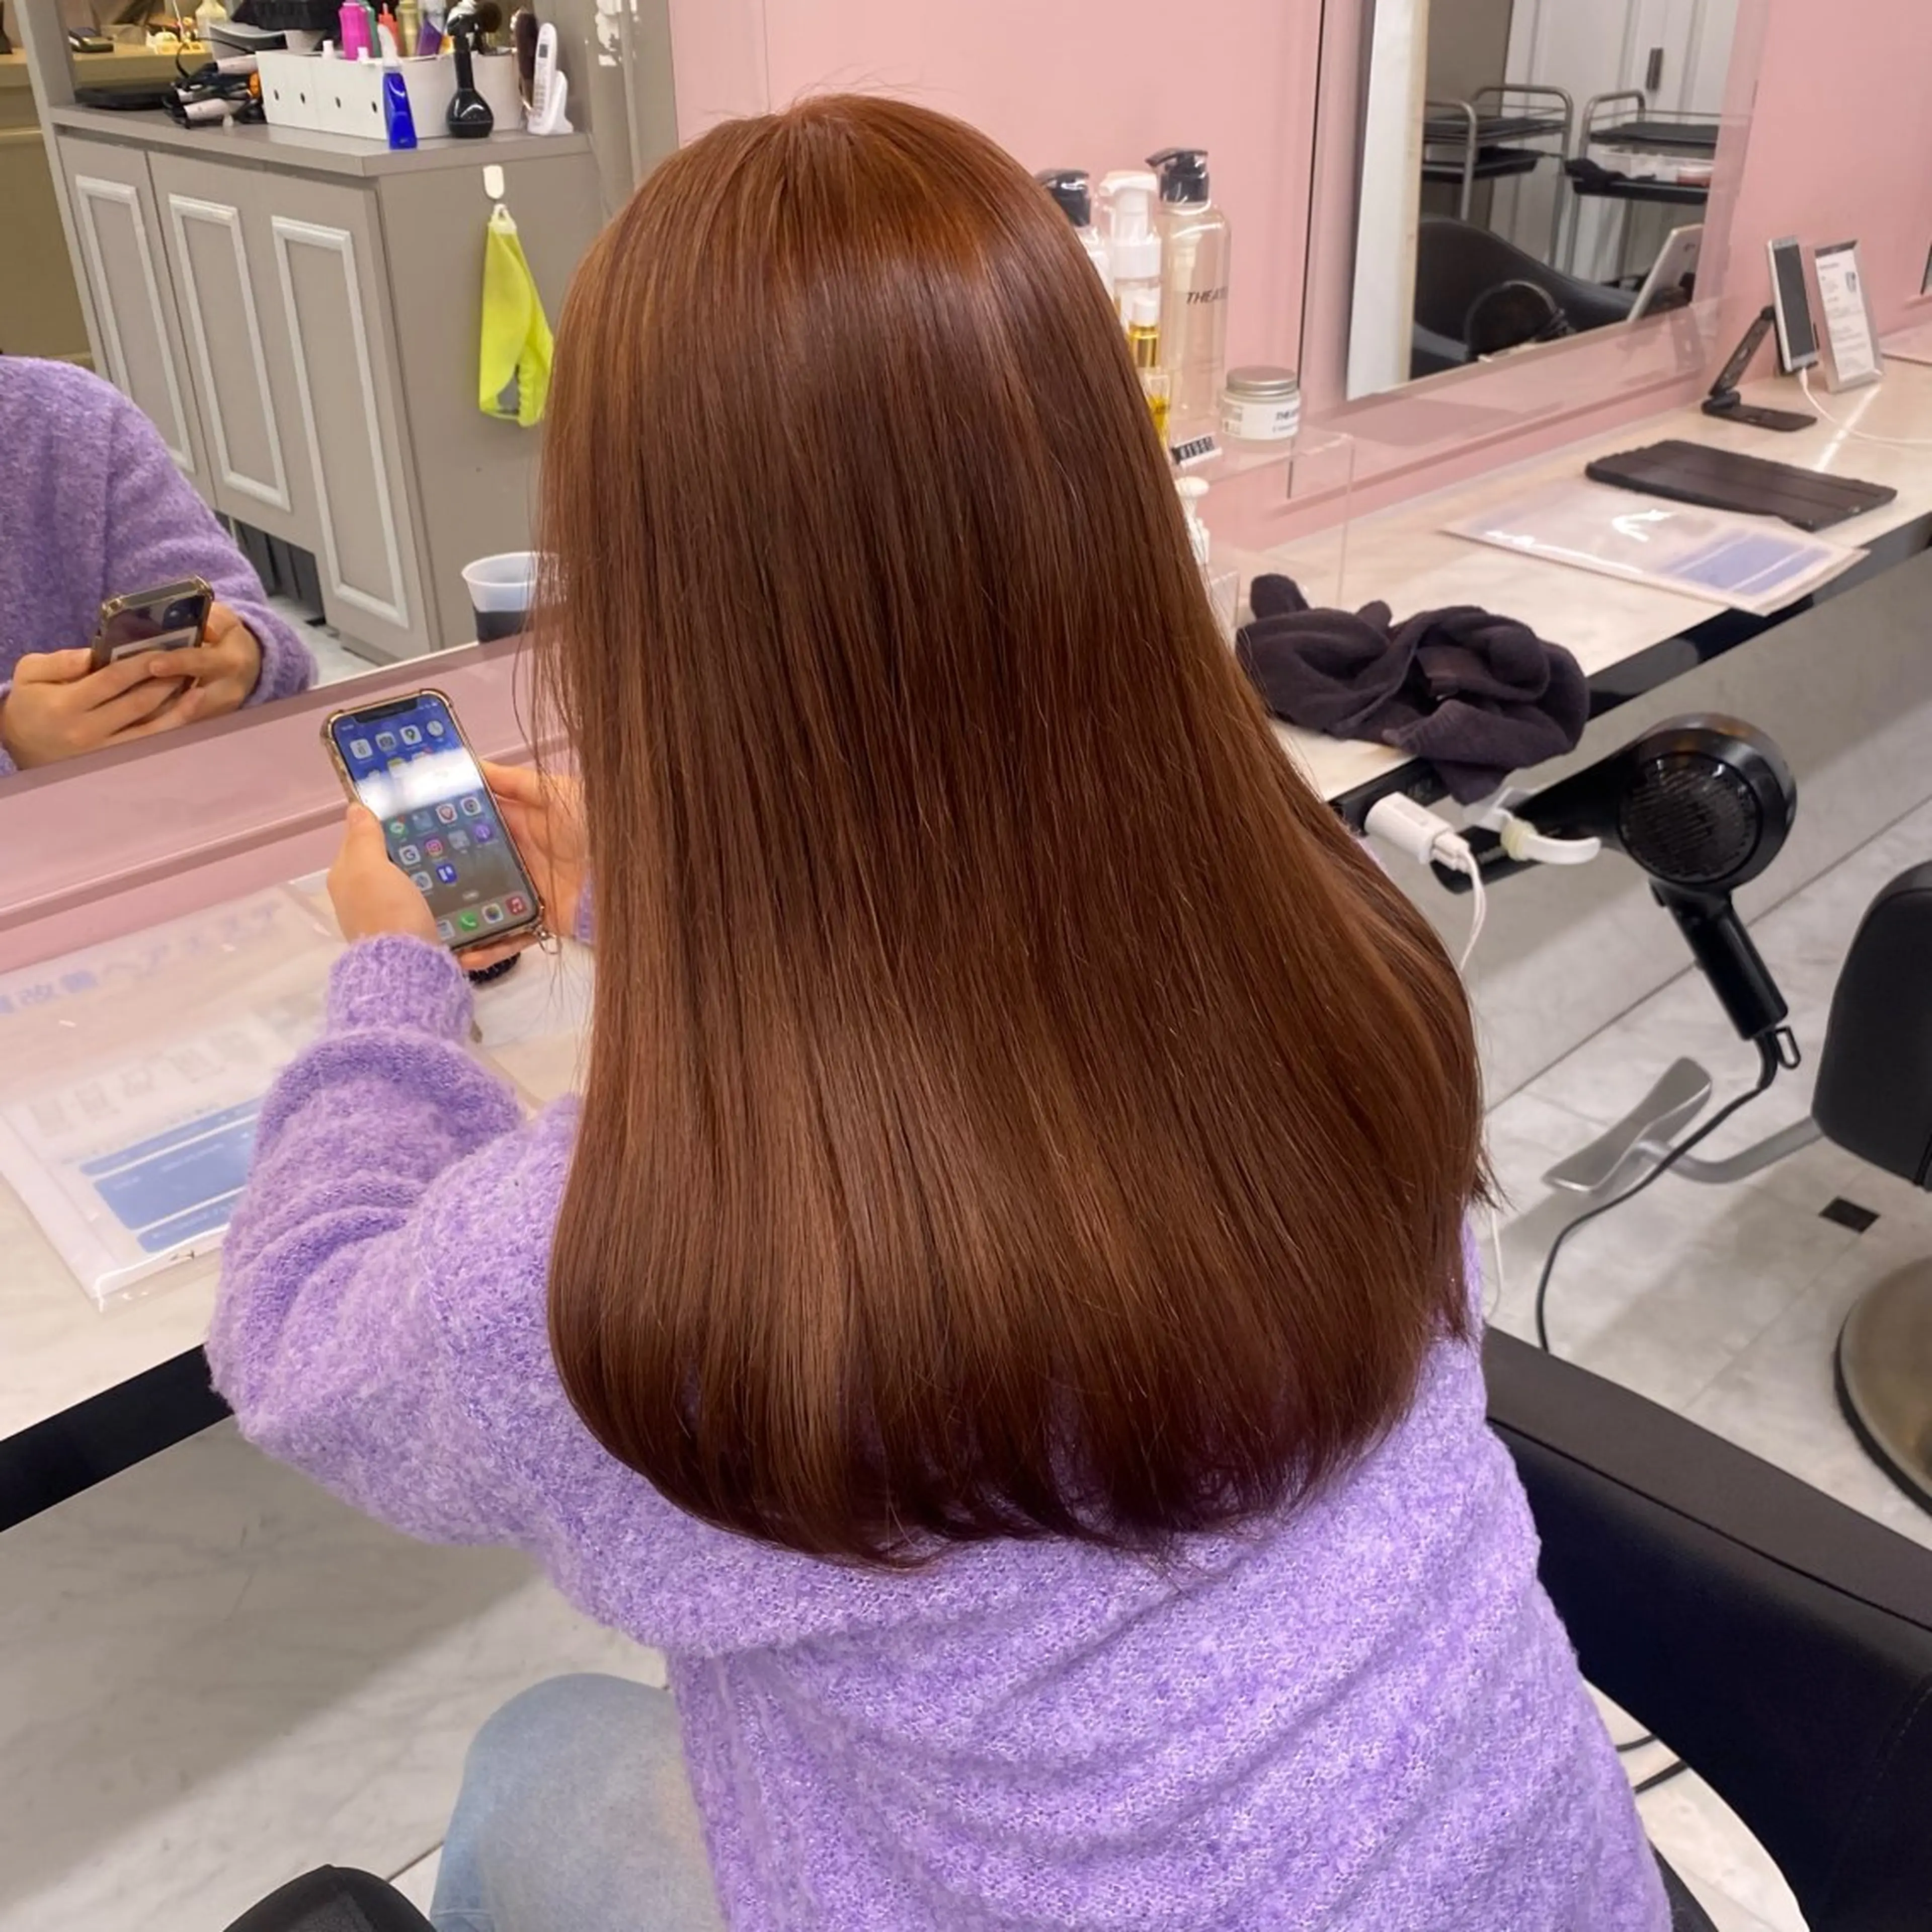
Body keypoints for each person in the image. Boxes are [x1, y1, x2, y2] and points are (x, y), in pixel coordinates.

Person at [209, 97, 1668, 1932]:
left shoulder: (625, 1265)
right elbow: (970, 885)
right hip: (1520, 1876)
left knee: (532, 1772)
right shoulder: (1335, 955)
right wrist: (683, 889)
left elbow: (299, 1338)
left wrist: (394, 977)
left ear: (653, 622)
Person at [0, 357, 315, 774]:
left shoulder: (73, 418)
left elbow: (239, 616)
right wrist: (13, 746)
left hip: (177, 808)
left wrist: (246, 657)